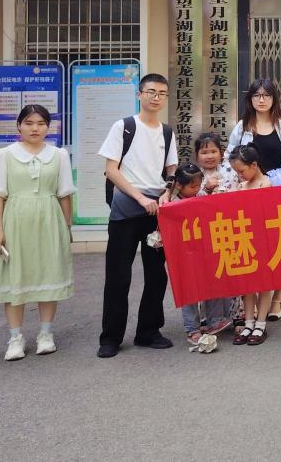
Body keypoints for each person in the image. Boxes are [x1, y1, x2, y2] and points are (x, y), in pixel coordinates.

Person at [0, 104, 75, 361]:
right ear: (19, 126)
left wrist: (66, 228)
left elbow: (65, 194)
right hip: (15, 220)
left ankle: (46, 334)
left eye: (41, 123)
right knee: (15, 278)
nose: (35, 128)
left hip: (50, 220)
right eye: (29, 123)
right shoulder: (4, 155)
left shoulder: (59, 155)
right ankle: (15, 338)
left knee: (49, 274)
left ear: (49, 127)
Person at [97, 74, 178, 358]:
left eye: (162, 93)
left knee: (156, 275)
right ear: (139, 94)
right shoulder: (124, 127)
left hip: (156, 212)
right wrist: (140, 198)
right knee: (118, 275)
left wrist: (167, 193)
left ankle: (148, 331)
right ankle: (110, 337)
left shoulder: (167, 132)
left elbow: (171, 170)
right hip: (126, 210)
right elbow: (111, 170)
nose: (156, 97)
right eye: (151, 91)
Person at [224, 77, 281, 322]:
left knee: (278, 245)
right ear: (250, 99)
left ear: (274, 99)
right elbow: (230, 156)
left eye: (266, 95)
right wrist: (232, 185)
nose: (261, 100)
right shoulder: (242, 127)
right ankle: (251, 302)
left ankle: (277, 298)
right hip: (248, 193)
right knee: (252, 247)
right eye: (256, 95)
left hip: (275, 190)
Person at [168, 164, 235, 346]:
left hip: (204, 249)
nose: (197, 189)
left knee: (211, 283)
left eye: (199, 185)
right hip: (183, 253)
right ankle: (192, 329)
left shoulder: (202, 196)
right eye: (192, 186)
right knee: (189, 291)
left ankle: (215, 321)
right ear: (179, 185)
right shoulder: (171, 203)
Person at [227, 144, 274, 346]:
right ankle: (248, 322)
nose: (239, 175)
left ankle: (260, 323)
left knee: (264, 284)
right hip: (244, 238)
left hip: (262, 239)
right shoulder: (242, 186)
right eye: (236, 172)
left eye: (241, 171)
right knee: (247, 284)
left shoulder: (266, 184)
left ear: (254, 165)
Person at [194, 132, 234, 196]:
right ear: (197, 156)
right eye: (204, 153)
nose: (210, 156)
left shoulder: (231, 170)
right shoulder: (194, 176)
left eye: (213, 151)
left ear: (221, 153)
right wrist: (206, 189)